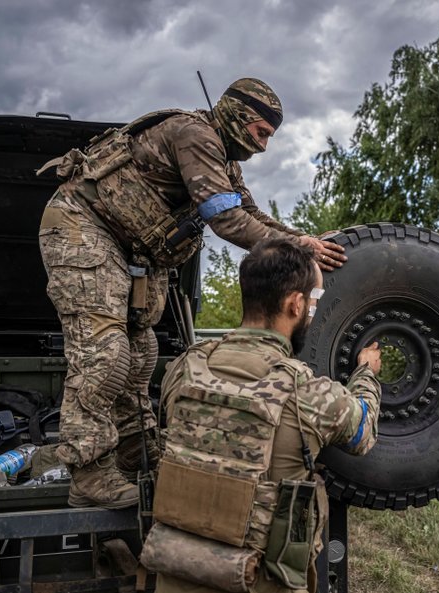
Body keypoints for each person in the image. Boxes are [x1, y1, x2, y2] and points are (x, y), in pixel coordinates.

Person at [38, 78, 347, 509]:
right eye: (261, 132)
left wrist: (304, 239)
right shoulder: (195, 134)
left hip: (129, 246)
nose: (263, 146)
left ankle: (136, 457)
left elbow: (250, 213)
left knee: (141, 352)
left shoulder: (224, 161)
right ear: (238, 117)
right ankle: (89, 474)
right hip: (82, 225)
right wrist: (300, 247)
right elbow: (228, 222)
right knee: (105, 353)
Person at [143, 238, 382, 593]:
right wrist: (366, 374)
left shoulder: (186, 367)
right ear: (295, 304)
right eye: (313, 301)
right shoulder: (311, 394)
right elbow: (363, 432)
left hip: (174, 577)